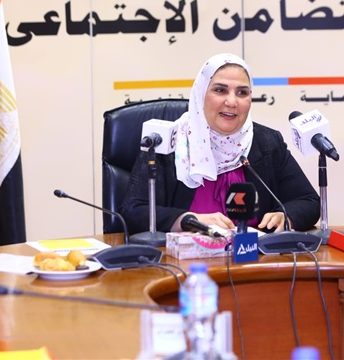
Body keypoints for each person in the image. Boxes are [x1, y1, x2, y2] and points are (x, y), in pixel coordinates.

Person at [122, 53, 320, 234]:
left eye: (242, 93)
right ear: (201, 94)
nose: (232, 102)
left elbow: (309, 201)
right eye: (220, 90)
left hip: (253, 256)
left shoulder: (267, 142)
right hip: (183, 258)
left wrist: (286, 216)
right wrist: (188, 220)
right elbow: (134, 211)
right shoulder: (167, 142)